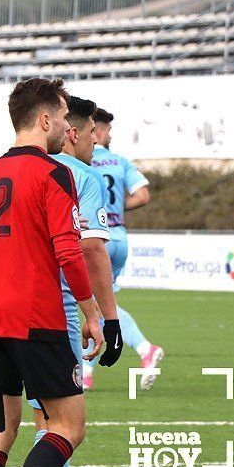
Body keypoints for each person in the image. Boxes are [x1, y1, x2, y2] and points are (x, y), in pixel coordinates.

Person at [0, 95, 122, 467]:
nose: (68, 128)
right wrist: (93, 312)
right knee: (68, 426)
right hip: (35, 317)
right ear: (45, 119)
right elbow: (70, 250)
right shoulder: (56, 173)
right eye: (64, 118)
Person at [87, 107, 163, 390]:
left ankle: (145, 349)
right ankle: (85, 371)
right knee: (101, 303)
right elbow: (143, 195)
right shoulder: (120, 162)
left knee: (94, 304)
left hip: (96, 238)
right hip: (120, 236)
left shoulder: (83, 162)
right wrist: (117, 208)